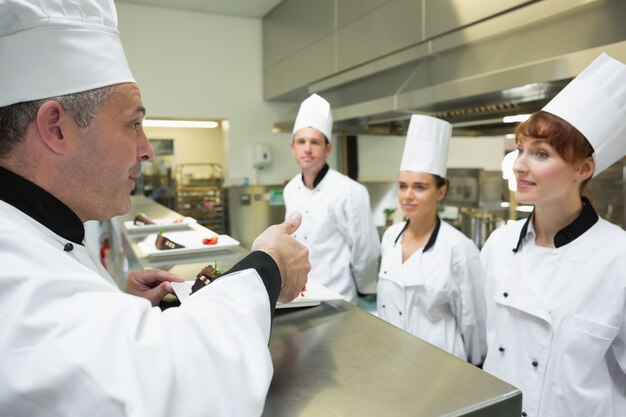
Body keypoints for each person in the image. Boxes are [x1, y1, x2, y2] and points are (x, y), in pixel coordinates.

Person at [0, 1, 309, 416]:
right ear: (56, 128)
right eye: (133, 123)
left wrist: (119, 308)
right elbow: (178, 383)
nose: (146, 150)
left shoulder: (34, 230)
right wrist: (268, 266)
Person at [480, 52, 626, 417]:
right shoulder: (499, 243)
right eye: (520, 150)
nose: (520, 165)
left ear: (583, 168)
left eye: (540, 153)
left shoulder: (618, 257)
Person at [376, 114, 487, 365]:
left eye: (419, 187)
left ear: (441, 191)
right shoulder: (391, 237)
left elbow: (474, 323)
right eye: (402, 186)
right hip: (392, 363)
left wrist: (474, 373)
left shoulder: (458, 248)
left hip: (442, 370)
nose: (408, 196)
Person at [283, 94, 380, 303]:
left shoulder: (350, 191)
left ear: (328, 148)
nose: (307, 148)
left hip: (337, 298)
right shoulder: (290, 189)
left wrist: (365, 288)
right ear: (293, 148)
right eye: (301, 141)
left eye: (315, 142)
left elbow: (366, 249)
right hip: (298, 296)